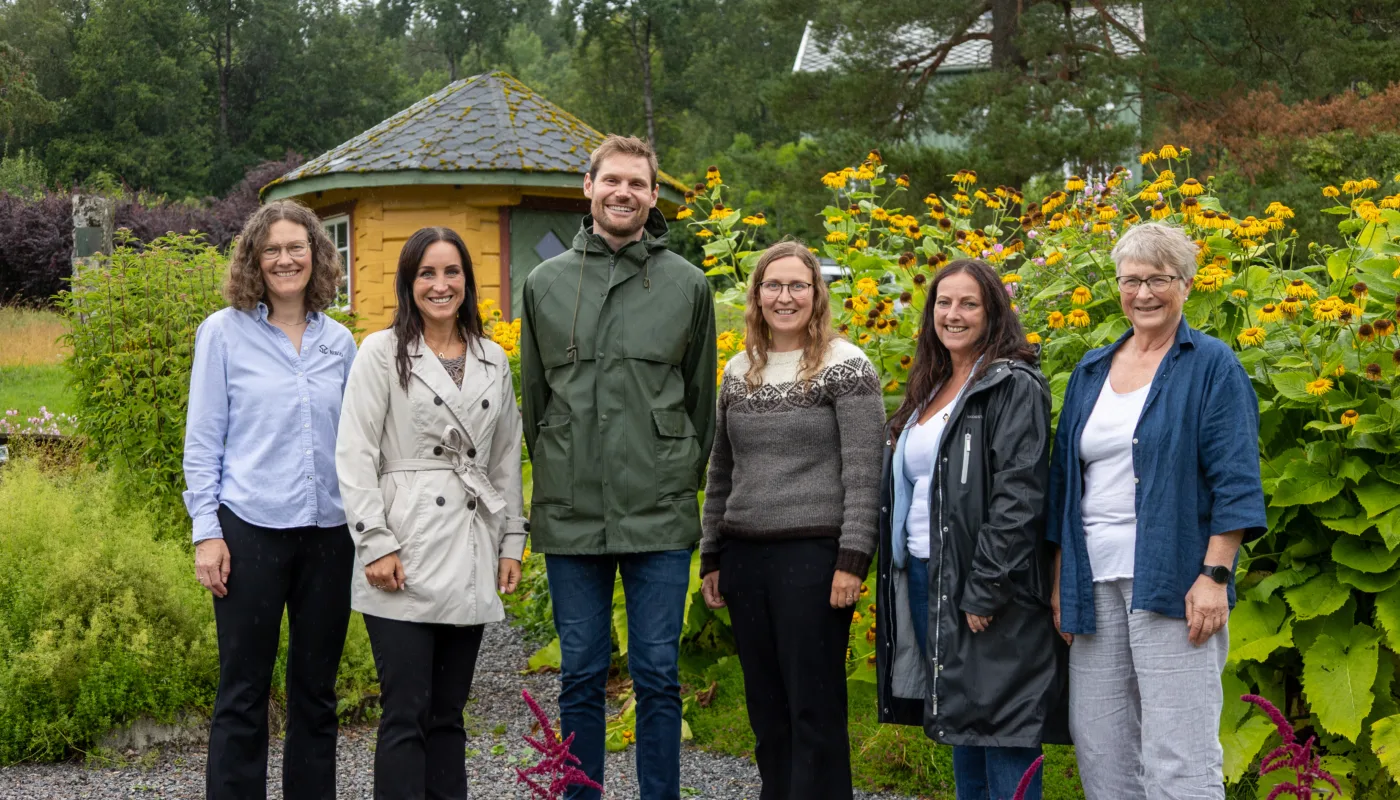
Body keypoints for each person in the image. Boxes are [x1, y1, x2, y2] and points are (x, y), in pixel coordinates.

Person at [519, 134, 716, 800]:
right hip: (573, 510)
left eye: (638, 183)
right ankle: (582, 795)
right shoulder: (545, 284)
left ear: (654, 196)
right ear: (589, 187)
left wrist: (677, 472)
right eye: (613, 181)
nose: (624, 193)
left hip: (659, 509)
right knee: (579, 672)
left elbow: (700, 402)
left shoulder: (686, 285)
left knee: (658, 672)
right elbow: (535, 402)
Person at [1047, 222, 1266, 800]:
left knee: (1178, 752)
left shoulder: (1212, 366)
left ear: (1186, 284)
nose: (1143, 293)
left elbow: (1237, 480)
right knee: (1101, 747)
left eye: (1158, 279)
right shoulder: (1092, 370)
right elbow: (1067, 484)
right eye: (1131, 280)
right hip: (1092, 583)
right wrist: (1061, 579)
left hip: (1174, 581)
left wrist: (1214, 576)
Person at [335, 227, 526, 800]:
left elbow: (505, 457)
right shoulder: (381, 352)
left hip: (469, 543)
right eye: (427, 274)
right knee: (405, 713)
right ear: (408, 282)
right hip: (404, 547)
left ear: (468, 280)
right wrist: (375, 542)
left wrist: (512, 540)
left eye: (452, 273)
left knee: (449, 714)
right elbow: (355, 452)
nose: (440, 285)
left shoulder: (493, 359)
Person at [874, 258, 1068, 800]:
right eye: (943, 302)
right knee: (960, 719)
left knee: (1002, 727)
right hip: (925, 573)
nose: (952, 314)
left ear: (992, 313)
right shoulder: (931, 384)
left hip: (985, 582)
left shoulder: (1013, 384)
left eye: (968, 304)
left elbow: (1019, 494)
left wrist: (985, 585)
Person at [183, 199, 358, 800]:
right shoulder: (223, 334)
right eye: (273, 249)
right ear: (255, 259)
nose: (286, 259)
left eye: (297, 248)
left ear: (317, 256)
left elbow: (357, 442)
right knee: (243, 690)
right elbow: (203, 442)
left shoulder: (341, 343)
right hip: (249, 531)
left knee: (317, 692)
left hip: (330, 536)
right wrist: (206, 531)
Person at [698, 241, 884, 800]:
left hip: (815, 558)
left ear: (816, 294)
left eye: (797, 285)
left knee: (814, 706)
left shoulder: (846, 366)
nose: (785, 297)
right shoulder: (737, 372)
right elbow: (721, 468)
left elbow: (864, 471)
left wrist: (852, 560)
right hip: (744, 556)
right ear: (756, 296)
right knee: (766, 706)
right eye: (773, 286)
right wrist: (711, 553)